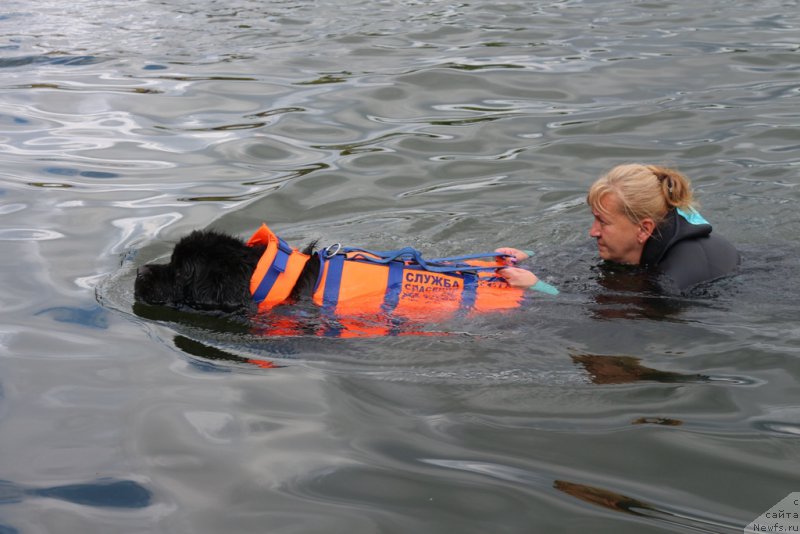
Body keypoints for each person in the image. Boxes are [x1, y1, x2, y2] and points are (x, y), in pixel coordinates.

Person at [498, 163, 739, 293]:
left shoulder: (673, 281)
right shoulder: (654, 229)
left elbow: (632, 317)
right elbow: (585, 251)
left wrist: (540, 288)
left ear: (643, 229)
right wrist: (531, 257)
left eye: (603, 222)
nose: (593, 232)